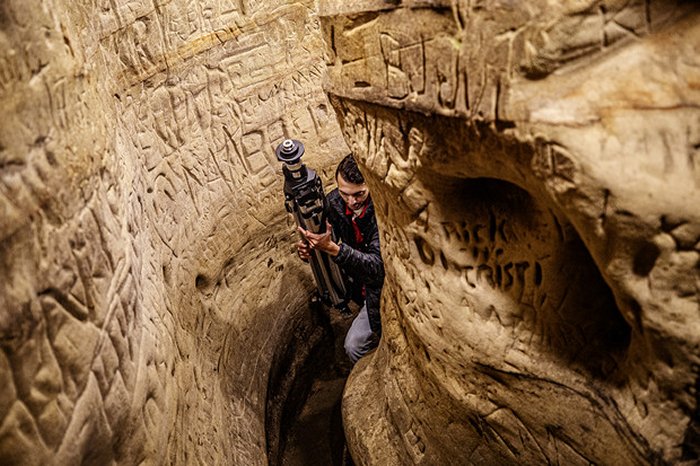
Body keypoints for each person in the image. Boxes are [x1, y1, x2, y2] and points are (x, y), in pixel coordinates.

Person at [296, 154, 384, 363]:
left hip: (383, 290)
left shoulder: (382, 209)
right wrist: (309, 250)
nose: (351, 201)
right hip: (359, 288)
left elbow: (377, 267)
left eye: (359, 194)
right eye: (345, 194)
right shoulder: (335, 203)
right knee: (353, 346)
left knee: (354, 345)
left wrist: (336, 250)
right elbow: (323, 237)